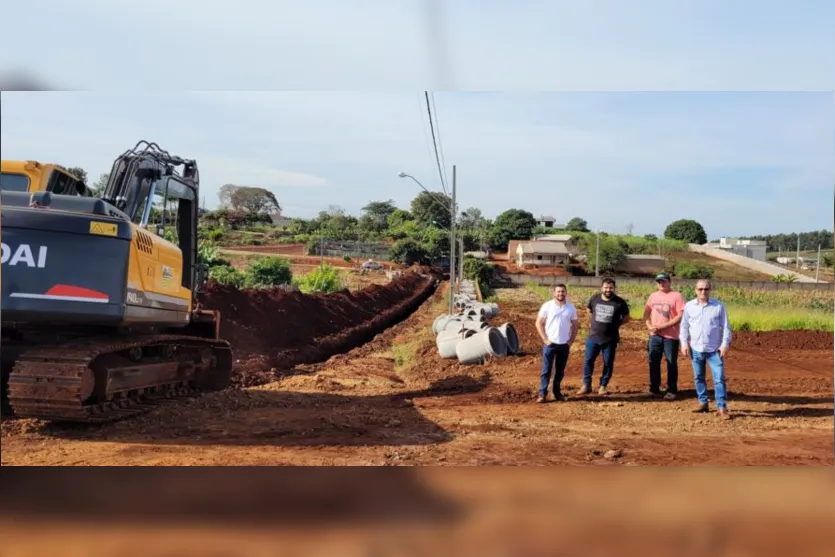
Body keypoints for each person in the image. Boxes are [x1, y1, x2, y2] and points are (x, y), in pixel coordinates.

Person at [679, 279, 733, 419]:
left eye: (706, 289)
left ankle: (722, 407)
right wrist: (684, 343)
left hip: (714, 349)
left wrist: (725, 344)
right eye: (700, 289)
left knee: (719, 378)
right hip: (695, 348)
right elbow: (684, 326)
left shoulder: (718, 306)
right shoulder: (689, 306)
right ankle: (703, 402)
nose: (703, 292)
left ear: (710, 290)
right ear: (695, 290)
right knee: (698, 377)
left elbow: (726, 327)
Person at [577, 278, 631, 396]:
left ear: (614, 288)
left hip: (610, 339)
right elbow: (588, 310)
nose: (608, 290)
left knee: (608, 363)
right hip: (593, 337)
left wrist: (616, 325)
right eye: (606, 287)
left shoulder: (620, 302)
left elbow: (626, 318)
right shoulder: (595, 298)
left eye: (610, 287)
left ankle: (603, 386)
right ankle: (586, 385)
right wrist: (593, 322)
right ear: (602, 288)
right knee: (588, 361)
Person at [643, 273, 686, 400]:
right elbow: (646, 314)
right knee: (653, 361)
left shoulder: (677, 296)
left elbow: (680, 316)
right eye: (659, 282)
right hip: (654, 335)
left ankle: (672, 390)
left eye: (664, 281)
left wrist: (662, 326)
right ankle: (654, 389)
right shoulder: (653, 296)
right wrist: (649, 326)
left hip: (670, 336)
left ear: (669, 282)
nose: (661, 284)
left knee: (671, 362)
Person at [535, 283, 579, 403]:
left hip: (564, 345)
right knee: (546, 370)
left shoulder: (571, 307)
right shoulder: (547, 306)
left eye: (563, 291)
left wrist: (570, 341)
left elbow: (575, 326)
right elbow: (538, 323)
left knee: (560, 371)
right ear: (554, 293)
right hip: (550, 344)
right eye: (558, 291)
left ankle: (557, 393)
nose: (560, 294)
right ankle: (542, 393)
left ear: (566, 293)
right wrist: (545, 339)